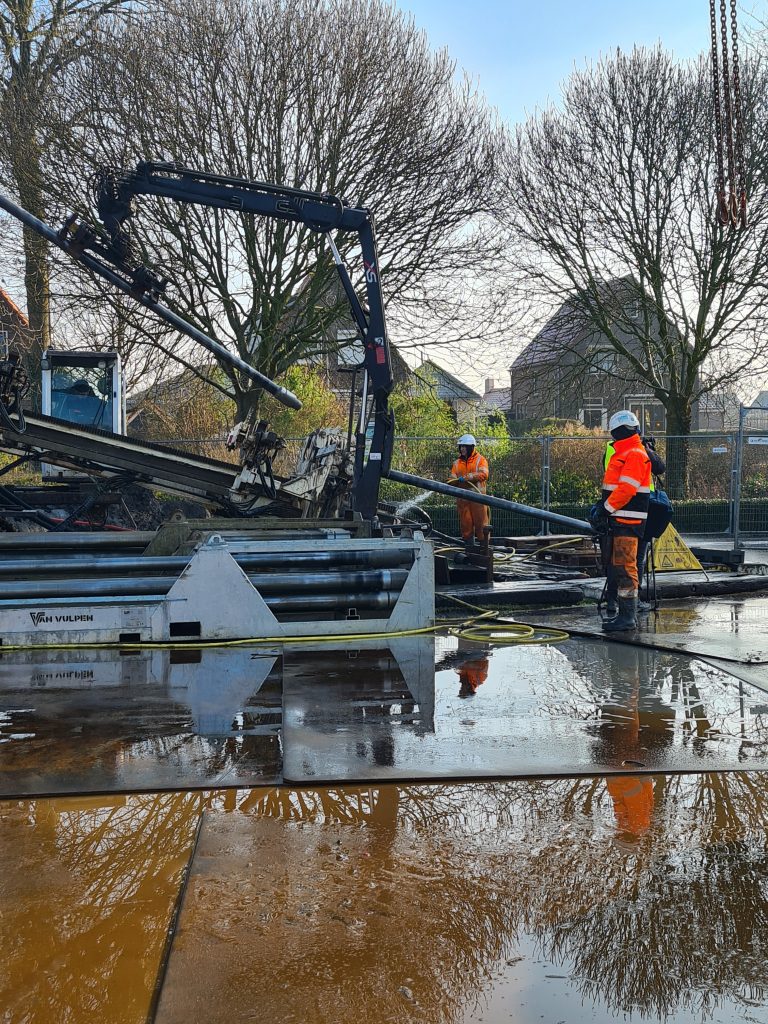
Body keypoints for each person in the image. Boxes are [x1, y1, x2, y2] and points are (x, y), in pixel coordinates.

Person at [591, 410, 651, 631]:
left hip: (628, 521)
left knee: (626, 569)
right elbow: (616, 488)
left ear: (620, 431)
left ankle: (627, 618)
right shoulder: (623, 452)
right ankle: (625, 616)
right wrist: (602, 506)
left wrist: (605, 509)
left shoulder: (634, 453)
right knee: (620, 567)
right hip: (620, 519)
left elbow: (627, 489)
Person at [602, 431, 666, 615]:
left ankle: (614, 601)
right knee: (634, 560)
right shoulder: (637, 452)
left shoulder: (612, 449)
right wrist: (647, 448)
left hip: (619, 510)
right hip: (637, 510)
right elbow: (659, 467)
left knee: (618, 560)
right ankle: (630, 603)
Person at [450, 434, 489, 550]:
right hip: (463, 501)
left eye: (464, 446)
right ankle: (469, 549)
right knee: (466, 525)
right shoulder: (457, 463)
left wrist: (468, 477)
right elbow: (452, 477)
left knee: (481, 524)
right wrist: (450, 482)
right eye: (461, 446)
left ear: (471, 447)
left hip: (478, 500)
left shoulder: (480, 460)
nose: (462, 449)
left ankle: (484, 549)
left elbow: (484, 474)